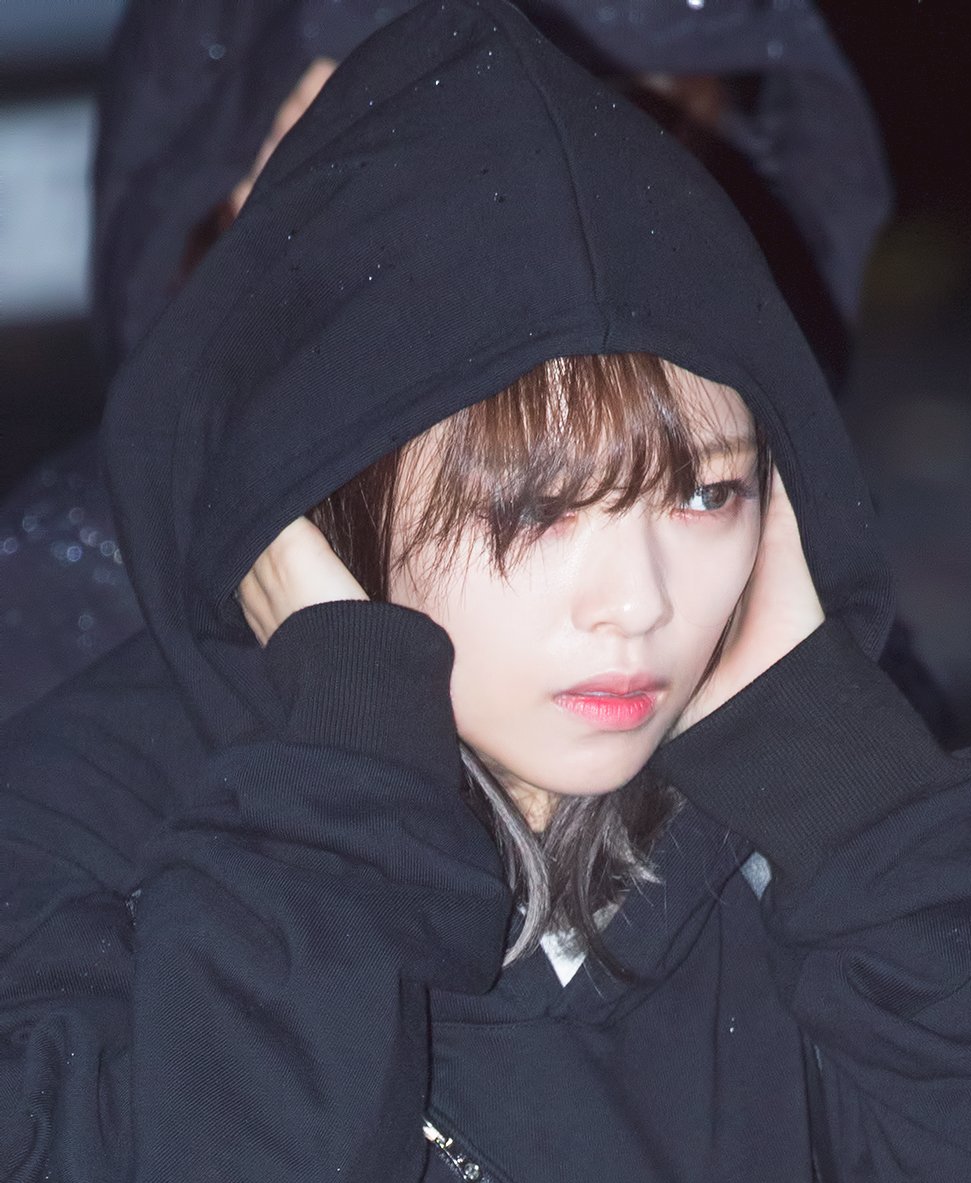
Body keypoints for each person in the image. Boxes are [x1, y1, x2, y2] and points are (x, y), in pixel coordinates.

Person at [2, 3, 971, 1183]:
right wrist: (334, 801)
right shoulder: (82, 819)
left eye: (705, 494)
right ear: (315, 489)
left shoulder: (831, 823)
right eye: (534, 510)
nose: (636, 602)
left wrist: (862, 819)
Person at [1, 0, 893, 722]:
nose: (535, 185)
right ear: (230, 180)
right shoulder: (71, 621)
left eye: (618, 119)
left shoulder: (782, 584)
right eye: (400, 119)